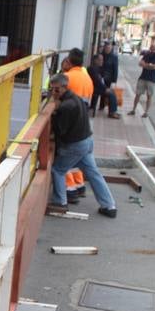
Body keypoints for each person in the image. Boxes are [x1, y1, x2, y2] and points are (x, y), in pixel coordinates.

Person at [48, 73, 117, 218]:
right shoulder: (76, 99)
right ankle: (109, 206)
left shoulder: (66, 106)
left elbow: (60, 130)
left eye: (55, 89)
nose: (53, 93)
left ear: (64, 87)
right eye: (51, 89)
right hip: (86, 141)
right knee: (93, 173)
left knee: (58, 170)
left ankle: (60, 202)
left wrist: (54, 114)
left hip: (75, 145)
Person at [61, 48, 93, 203]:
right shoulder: (87, 78)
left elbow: (61, 100)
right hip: (84, 123)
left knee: (64, 158)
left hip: (72, 124)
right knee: (77, 160)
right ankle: (79, 186)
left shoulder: (67, 77)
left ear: (69, 60)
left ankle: (70, 190)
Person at [128, 42, 155, 117]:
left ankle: (146, 112)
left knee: (149, 96)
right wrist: (149, 65)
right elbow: (140, 63)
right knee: (137, 94)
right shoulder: (147, 54)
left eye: (153, 47)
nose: (151, 48)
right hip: (143, 77)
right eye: (151, 47)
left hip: (151, 79)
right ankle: (133, 110)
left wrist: (146, 65)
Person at [88, 53, 119, 119]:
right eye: (100, 60)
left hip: (98, 87)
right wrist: (105, 88)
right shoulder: (92, 69)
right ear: (95, 60)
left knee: (112, 91)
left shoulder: (98, 68)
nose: (102, 61)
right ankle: (112, 112)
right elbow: (98, 81)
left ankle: (112, 111)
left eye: (102, 60)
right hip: (95, 88)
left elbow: (102, 78)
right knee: (111, 93)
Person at [98, 40, 118, 111]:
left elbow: (115, 69)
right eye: (106, 48)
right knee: (100, 92)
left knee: (108, 93)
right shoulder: (101, 55)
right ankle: (100, 105)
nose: (107, 49)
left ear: (111, 48)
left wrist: (114, 81)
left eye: (109, 48)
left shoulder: (114, 57)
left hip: (109, 78)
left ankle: (107, 107)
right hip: (100, 76)